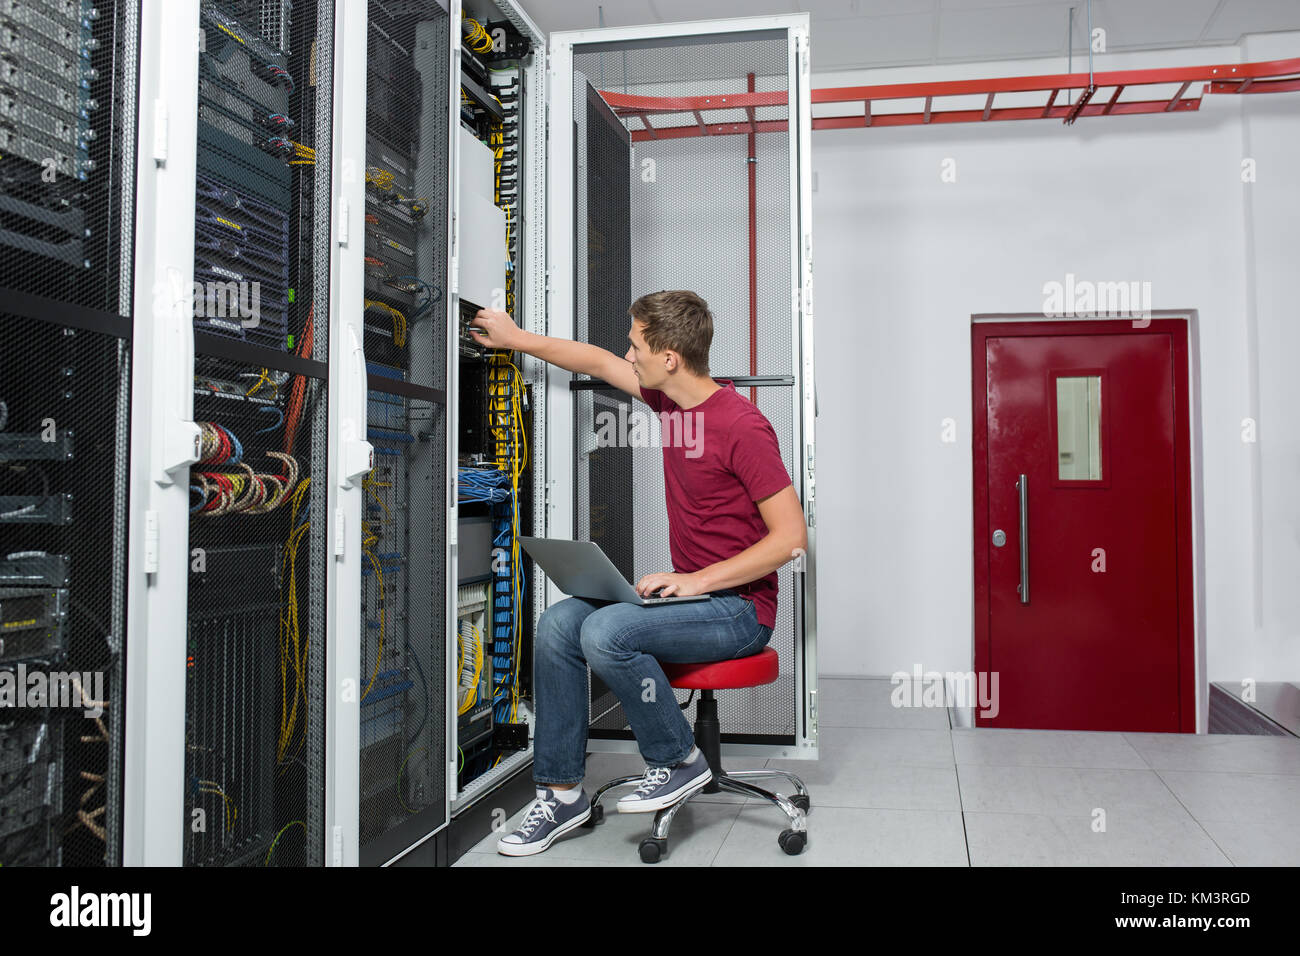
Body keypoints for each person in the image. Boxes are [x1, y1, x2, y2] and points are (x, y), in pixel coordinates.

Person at [469, 290, 806, 857]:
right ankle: (563, 795)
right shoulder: (669, 402)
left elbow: (792, 540)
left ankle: (678, 760)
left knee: (605, 632)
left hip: (740, 610)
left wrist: (698, 579)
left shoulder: (742, 426)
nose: (628, 354)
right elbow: (597, 361)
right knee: (558, 624)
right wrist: (516, 338)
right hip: (688, 601)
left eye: (637, 344)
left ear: (669, 356)